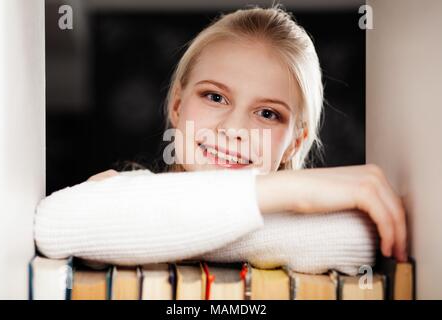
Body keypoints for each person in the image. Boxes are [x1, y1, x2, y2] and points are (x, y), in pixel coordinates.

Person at [34, 5, 407, 276]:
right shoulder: (127, 192)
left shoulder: (125, 203)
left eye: (267, 113)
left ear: (295, 144)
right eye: (215, 97)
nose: (233, 128)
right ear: (177, 107)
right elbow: (55, 225)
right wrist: (292, 192)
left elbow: (357, 238)